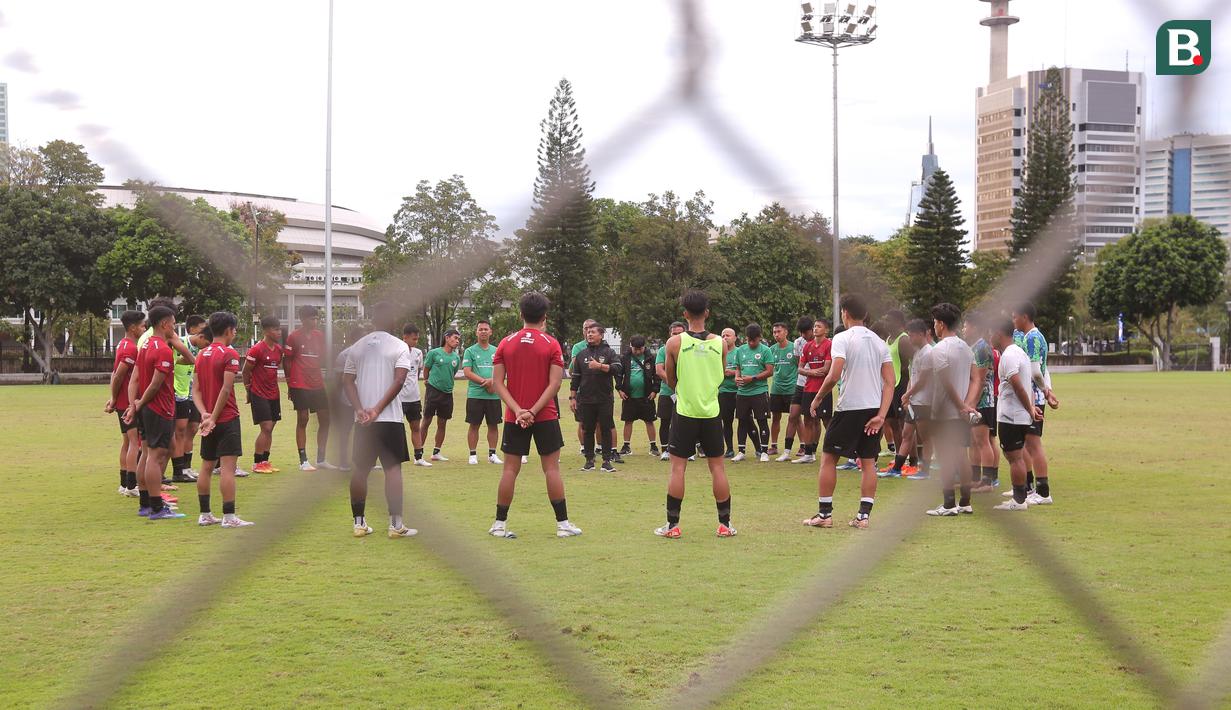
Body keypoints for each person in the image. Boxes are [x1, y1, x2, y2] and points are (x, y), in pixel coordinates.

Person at [487, 292, 582, 539]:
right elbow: (555, 384)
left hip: (513, 416)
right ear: (544, 317)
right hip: (545, 415)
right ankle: (562, 525)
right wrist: (533, 411)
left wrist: (518, 410)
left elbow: (497, 383)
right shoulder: (551, 343)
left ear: (521, 314)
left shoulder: (506, 343)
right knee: (551, 469)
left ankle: (499, 525)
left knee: (509, 469)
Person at [804, 294, 893, 529]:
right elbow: (890, 382)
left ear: (844, 312)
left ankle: (824, 515)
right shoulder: (879, 342)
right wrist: (882, 415)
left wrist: (818, 397)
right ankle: (863, 517)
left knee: (828, 460)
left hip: (850, 408)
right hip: (873, 409)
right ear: (865, 315)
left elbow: (834, 375)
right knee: (868, 463)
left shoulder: (842, 338)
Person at [655, 289, 736, 538]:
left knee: (678, 469)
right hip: (712, 412)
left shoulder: (674, 342)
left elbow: (670, 378)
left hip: (685, 411)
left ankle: (672, 526)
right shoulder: (720, 343)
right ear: (707, 313)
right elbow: (721, 375)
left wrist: (686, 388)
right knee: (718, 468)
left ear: (685, 314)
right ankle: (724, 525)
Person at [343, 301, 418, 539]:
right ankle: (396, 525)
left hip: (363, 420)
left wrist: (361, 410)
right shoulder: (399, 346)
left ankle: (359, 523)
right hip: (390, 419)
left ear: (372, 320)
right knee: (393, 469)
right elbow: (399, 381)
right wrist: (377, 409)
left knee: (360, 470)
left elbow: (347, 381)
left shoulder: (357, 346)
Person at [124, 305, 188, 520]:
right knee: (155, 455)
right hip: (158, 408)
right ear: (164, 324)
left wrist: (135, 404)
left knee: (151, 451)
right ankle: (156, 507)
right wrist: (139, 403)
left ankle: (146, 504)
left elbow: (136, 379)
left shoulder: (146, 345)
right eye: (173, 323)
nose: (174, 327)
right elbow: (154, 384)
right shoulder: (161, 349)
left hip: (148, 408)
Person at [192, 311, 253, 528]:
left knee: (206, 466)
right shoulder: (229, 354)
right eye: (235, 330)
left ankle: (205, 514)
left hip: (209, 419)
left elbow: (195, 391)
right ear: (228, 330)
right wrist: (214, 418)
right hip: (226, 418)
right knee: (227, 469)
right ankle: (229, 517)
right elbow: (226, 389)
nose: (235, 334)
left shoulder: (201, 354)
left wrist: (204, 415)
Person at [924, 303, 981, 517]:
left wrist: (960, 405)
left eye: (935, 323)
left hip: (944, 412)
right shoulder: (966, 347)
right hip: (962, 413)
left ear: (940, 324)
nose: (934, 327)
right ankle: (965, 502)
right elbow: (976, 378)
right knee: (961, 455)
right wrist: (969, 404)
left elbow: (946, 382)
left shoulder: (939, 349)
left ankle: (948, 504)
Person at [990, 318, 1043, 511]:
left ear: (998, 333)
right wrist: (1031, 407)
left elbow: (1018, 385)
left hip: (1011, 415)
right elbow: (1025, 383)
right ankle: (1020, 497)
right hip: (1018, 414)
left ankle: (1019, 501)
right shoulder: (1018, 352)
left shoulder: (1009, 355)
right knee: (1016, 456)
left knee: (1014, 457)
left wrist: (1030, 408)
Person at [1010, 302, 1059, 505]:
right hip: (1034, 397)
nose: (1013, 321)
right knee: (1029, 444)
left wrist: (1045, 391)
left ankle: (1043, 491)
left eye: (1015, 316)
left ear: (1024, 316)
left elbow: (1036, 370)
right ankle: (1033, 488)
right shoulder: (1035, 336)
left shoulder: (1032, 338)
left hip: (1034, 398)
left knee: (1034, 444)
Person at [284, 305, 332, 472]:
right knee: (303, 419)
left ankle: (321, 459)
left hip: (317, 383)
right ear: (303, 320)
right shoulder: (294, 337)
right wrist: (290, 383)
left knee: (326, 419)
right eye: (312, 318)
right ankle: (303, 460)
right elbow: (288, 360)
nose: (315, 321)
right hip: (300, 383)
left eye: (316, 318)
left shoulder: (320, 336)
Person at [569, 322, 623, 472]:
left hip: (604, 398)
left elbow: (618, 368)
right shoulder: (581, 355)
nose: (589, 334)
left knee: (606, 429)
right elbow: (575, 379)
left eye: (593, 332)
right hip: (585, 399)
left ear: (601, 335)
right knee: (587, 429)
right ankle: (589, 461)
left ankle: (606, 461)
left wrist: (600, 366)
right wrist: (572, 398)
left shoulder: (609, 352)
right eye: (588, 332)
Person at [883, 319, 932, 479]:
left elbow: (924, 380)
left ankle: (925, 471)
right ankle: (897, 468)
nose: (909, 339)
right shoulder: (917, 352)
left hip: (925, 402)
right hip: (914, 401)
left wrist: (907, 393)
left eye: (911, 336)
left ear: (921, 334)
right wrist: (908, 395)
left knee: (925, 438)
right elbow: (913, 376)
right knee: (906, 434)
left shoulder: (928, 353)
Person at [104, 309, 145, 498]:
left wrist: (113, 398)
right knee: (134, 443)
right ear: (133, 327)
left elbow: (115, 374)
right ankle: (131, 485)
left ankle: (123, 483)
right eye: (143, 325)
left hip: (121, 401)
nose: (145, 328)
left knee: (127, 442)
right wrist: (114, 398)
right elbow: (119, 374)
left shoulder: (123, 344)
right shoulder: (130, 348)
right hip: (126, 402)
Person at [242, 316, 284, 474]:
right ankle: (257, 462)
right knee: (265, 427)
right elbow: (246, 371)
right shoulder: (257, 349)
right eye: (275, 329)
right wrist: (248, 390)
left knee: (270, 428)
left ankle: (265, 461)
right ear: (266, 331)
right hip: (259, 393)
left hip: (274, 393)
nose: (279, 332)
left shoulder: (279, 350)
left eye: (279, 329)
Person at [964, 311, 1000, 492]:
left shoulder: (982, 348)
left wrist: (971, 404)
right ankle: (976, 478)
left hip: (983, 402)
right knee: (975, 441)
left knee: (983, 441)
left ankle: (987, 482)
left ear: (975, 327)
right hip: (975, 402)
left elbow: (979, 379)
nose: (964, 329)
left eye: (966, 325)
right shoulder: (975, 347)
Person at [170, 315, 208, 483]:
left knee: (192, 429)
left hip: (194, 393)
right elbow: (174, 362)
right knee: (180, 430)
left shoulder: (203, 346)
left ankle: (187, 467)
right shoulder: (179, 343)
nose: (204, 331)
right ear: (192, 329)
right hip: (179, 392)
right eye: (201, 328)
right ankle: (179, 469)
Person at [462, 320, 504, 466]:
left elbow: (502, 370)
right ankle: (472, 454)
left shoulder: (497, 350)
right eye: (481, 329)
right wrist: (484, 382)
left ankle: (492, 454)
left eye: (486, 329)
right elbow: (467, 372)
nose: (483, 331)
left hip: (493, 394)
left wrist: (492, 382)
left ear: (490, 332)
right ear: (476, 332)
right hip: (475, 394)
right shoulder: (470, 351)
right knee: (474, 424)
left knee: (494, 425)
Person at [792, 317, 832, 464]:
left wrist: (811, 371)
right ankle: (808, 454)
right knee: (808, 419)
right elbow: (800, 368)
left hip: (824, 389)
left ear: (826, 330)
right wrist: (813, 373)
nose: (815, 329)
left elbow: (827, 369)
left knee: (827, 420)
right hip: (809, 388)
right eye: (814, 326)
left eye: (819, 326)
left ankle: (835, 448)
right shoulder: (807, 346)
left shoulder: (829, 345)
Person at [732, 323, 774, 462]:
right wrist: (737, 377)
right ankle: (741, 451)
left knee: (762, 421)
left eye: (753, 340)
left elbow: (769, 371)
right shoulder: (740, 350)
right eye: (748, 340)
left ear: (759, 338)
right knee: (742, 421)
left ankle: (764, 452)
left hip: (759, 392)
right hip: (742, 392)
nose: (750, 343)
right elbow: (738, 367)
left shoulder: (765, 350)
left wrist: (753, 378)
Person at [329, 326, 367, 471]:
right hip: (347, 400)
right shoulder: (344, 355)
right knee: (345, 432)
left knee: (367, 431)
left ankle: (366, 460)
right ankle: (343, 462)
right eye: (363, 337)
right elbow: (339, 380)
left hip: (366, 399)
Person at [422, 328, 462, 461]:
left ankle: (436, 452)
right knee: (426, 420)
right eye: (455, 338)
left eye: (458, 339)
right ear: (447, 338)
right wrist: (428, 381)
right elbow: (426, 369)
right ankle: (419, 451)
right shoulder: (434, 353)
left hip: (447, 393)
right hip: (433, 391)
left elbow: (453, 372)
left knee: (442, 423)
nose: (457, 341)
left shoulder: (456, 357)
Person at [617, 335, 658, 456]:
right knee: (628, 421)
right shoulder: (624, 357)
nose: (638, 351)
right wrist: (620, 390)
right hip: (629, 396)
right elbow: (619, 375)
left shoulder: (650, 357)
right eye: (635, 349)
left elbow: (656, 376)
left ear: (644, 347)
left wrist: (654, 391)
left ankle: (653, 446)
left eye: (640, 349)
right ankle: (626, 445)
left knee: (649, 421)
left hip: (647, 396)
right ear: (631, 346)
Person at [654, 321, 687, 461]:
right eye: (674, 333)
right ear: (670, 334)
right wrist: (674, 384)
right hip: (668, 392)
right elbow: (659, 370)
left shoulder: (690, 349)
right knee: (665, 421)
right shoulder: (663, 350)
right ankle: (665, 449)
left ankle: (687, 450)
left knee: (685, 422)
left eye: (680, 333)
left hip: (687, 393)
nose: (677, 336)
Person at [883, 310, 913, 460]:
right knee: (891, 422)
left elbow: (912, 363)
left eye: (889, 320)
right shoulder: (888, 339)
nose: (886, 323)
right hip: (889, 386)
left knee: (903, 423)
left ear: (898, 322)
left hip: (902, 384)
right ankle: (898, 454)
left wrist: (908, 388)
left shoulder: (904, 339)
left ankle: (908, 456)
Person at [399, 323, 430, 467]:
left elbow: (416, 374)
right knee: (396, 428)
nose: (415, 341)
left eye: (417, 339)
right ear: (405, 337)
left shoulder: (418, 353)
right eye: (413, 339)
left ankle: (419, 457)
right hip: (399, 398)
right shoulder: (396, 352)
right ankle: (393, 456)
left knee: (416, 427)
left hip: (414, 397)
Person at [785, 316, 815, 463]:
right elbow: (800, 364)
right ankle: (786, 451)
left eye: (806, 332)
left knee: (813, 419)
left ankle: (812, 451)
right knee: (793, 415)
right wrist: (807, 372)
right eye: (801, 332)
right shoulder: (798, 342)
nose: (804, 335)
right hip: (800, 384)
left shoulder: (822, 342)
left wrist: (811, 373)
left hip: (815, 385)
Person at [767, 322, 799, 461]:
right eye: (774, 332)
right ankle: (773, 445)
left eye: (779, 331)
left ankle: (803, 446)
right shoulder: (772, 349)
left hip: (792, 388)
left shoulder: (794, 348)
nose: (776, 334)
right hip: (776, 388)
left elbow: (800, 367)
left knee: (796, 418)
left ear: (786, 332)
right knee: (776, 417)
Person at [569, 318, 598, 453]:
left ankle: (599, 446)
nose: (588, 332)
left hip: (598, 390)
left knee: (599, 422)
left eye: (590, 329)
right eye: (585, 329)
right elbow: (574, 368)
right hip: (582, 390)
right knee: (583, 421)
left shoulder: (603, 347)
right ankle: (583, 447)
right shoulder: (578, 347)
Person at [717, 328, 739, 458]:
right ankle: (729, 449)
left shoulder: (740, 352)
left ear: (735, 338)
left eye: (728, 335)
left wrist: (733, 372)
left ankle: (758, 448)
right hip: (724, 391)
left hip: (740, 391)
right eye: (723, 335)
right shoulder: (718, 353)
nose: (725, 338)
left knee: (745, 420)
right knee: (726, 421)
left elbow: (745, 368)